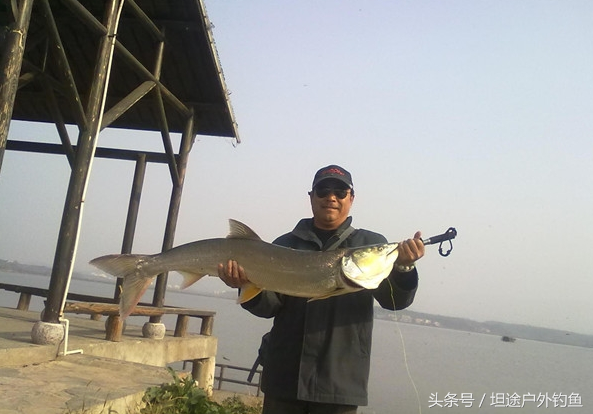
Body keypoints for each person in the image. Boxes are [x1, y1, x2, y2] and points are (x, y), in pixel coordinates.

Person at [218, 165, 424, 414]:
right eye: (323, 190)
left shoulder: (370, 244)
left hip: (340, 383)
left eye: (340, 190)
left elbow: (395, 302)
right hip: (285, 379)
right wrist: (244, 285)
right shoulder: (284, 245)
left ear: (352, 198)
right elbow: (269, 307)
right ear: (311, 196)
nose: (331, 197)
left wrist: (403, 268)